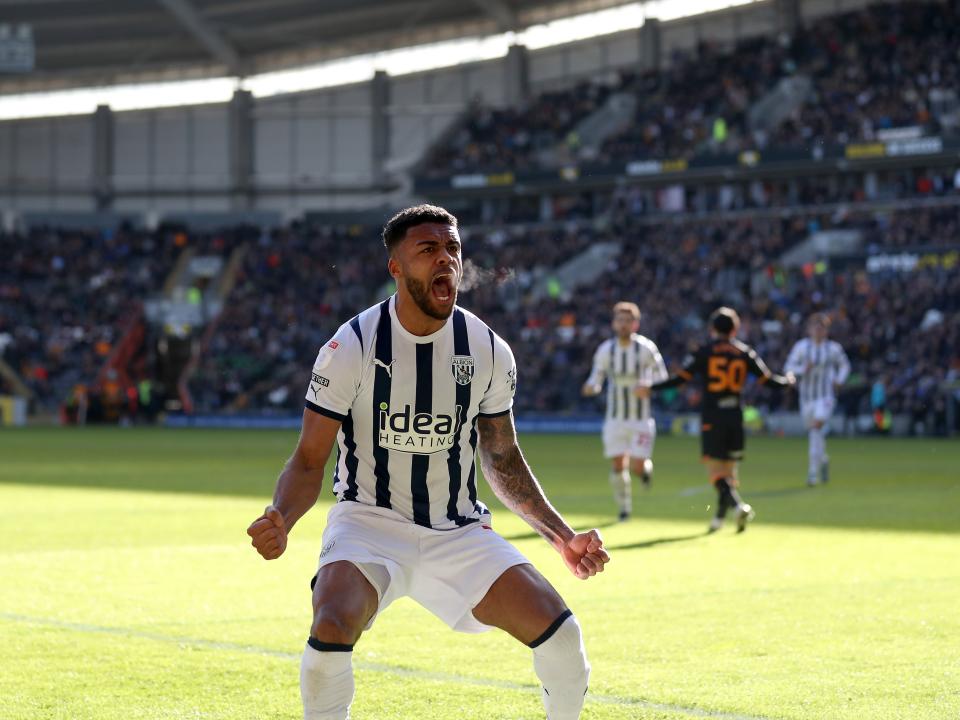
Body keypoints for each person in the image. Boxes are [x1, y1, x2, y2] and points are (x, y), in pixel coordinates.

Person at [246, 204, 610, 720]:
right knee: (331, 623)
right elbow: (309, 459)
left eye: (453, 248)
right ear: (396, 267)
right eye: (428, 249)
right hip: (368, 522)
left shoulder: (487, 348)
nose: (446, 259)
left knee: (562, 634)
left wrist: (561, 537)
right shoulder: (351, 346)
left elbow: (502, 457)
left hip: (457, 531)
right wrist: (282, 515)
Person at [642, 307, 794, 533]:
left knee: (716, 473)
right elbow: (769, 380)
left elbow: (680, 379)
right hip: (735, 415)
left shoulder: (705, 352)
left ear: (712, 328)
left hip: (713, 415)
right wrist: (788, 381)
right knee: (729, 472)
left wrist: (650, 387)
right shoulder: (745, 353)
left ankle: (738, 506)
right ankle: (718, 520)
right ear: (735, 328)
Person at [581, 302, 667, 521]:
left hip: (641, 418)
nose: (623, 325)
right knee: (618, 463)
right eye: (620, 320)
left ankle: (645, 470)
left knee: (637, 465)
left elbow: (662, 378)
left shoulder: (646, 348)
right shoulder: (606, 350)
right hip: (615, 418)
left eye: (628, 321)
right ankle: (624, 509)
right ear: (613, 323)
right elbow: (596, 378)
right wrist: (592, 387)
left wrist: (649, 387)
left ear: (635, 324)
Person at [784, 313, 850, 486]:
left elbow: (845, 365)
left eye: (822, 327)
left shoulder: (833, 348)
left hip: (825, 396)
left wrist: (839, 380)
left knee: (816, 428)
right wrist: (801, 370)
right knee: (815, 432)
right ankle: (823, 459)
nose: (819, 330)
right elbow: (788, 368)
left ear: (826, 330)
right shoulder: (801, 347)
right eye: (816, 326)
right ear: (809, 329)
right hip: (806, 398)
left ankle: (812, 473)